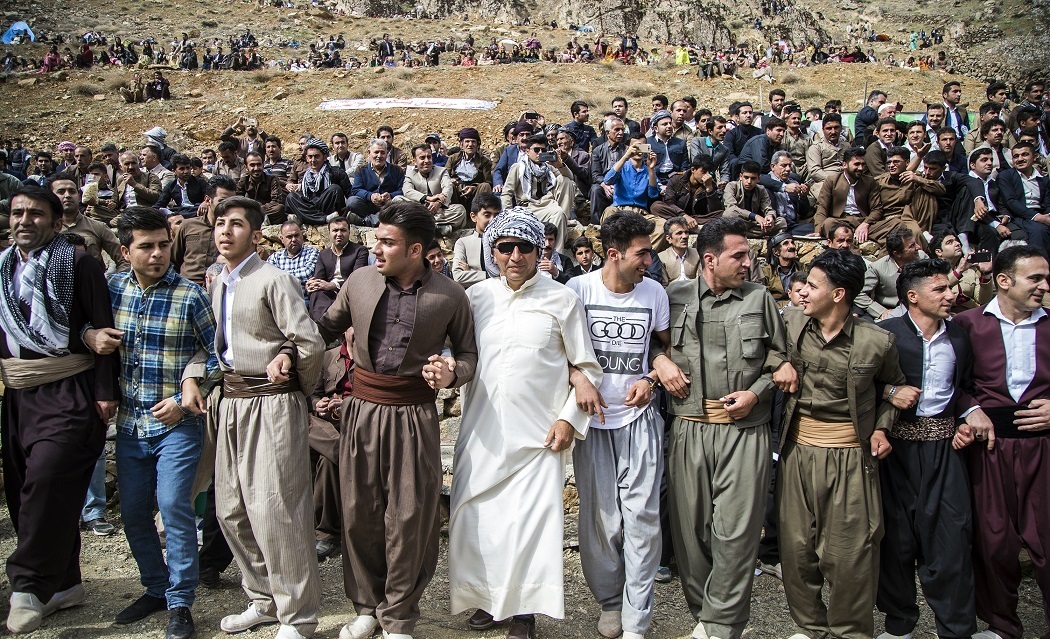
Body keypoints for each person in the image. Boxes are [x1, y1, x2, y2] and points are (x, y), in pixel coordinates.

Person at [314, 201, 477, 639]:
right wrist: (285, 348)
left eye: (387, 242)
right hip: (361, 412)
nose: (376, 250)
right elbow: (324, 329)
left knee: (410, 517)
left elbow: (468, 356)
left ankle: (399, 616)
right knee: (358, 513)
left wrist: (451, 373)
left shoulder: (450, 295)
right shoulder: (359, 281)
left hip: (414, 415)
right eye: (376, 239)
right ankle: (367, 606)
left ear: (416, 250)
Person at [449, 207, 601, 639]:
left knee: (530, 527)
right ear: (492, 251)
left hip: (540, 437)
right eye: (505, 247)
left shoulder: (562, 299)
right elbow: (457, 354)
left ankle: (523, 613)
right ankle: (488, 602)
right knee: (481, 520)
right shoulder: (476, 298)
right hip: (482, 432)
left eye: (525, 248)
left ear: (540, 251)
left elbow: (586, 365)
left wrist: (569, 419)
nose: (515, 256)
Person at [656, 216, 793, 639]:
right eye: (740, 255)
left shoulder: (759, 300)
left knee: (735, 533)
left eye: (749, 254)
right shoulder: (672, 296)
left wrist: (758, 392)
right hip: (688, 429)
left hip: (743, 431)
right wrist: (659, 361)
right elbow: (648, 347)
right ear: (710, 259)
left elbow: (782, 360)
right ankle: (707, 615)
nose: (749, 263)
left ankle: (721, 625)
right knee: (690, 534)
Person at [90, 207, 220, 639]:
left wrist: (187, 393)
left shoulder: (190, 295)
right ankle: (155, 587)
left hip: (177, 427)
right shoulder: (111, 291)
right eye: (146, 246)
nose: (158, 253)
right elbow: (88, 335)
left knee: (174, 508)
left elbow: (220, 356)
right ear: (125, 251)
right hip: (129, 426)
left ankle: (180, 602)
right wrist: (93, 337)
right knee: (132, 513)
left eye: (164, 244)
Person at [1, 186, 119, 634]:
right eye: (18, 213)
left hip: (69, 389)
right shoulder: (3, 267)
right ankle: (65, 582)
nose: (25, 220)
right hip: (18, 393)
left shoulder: (79, 263)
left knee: (47, 481)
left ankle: (27, 586)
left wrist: (106, 392)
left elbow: (102, 327)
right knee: (22, 488)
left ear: (55, 220)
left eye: (35, 213)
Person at [209, 196, 325, 639]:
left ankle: (298, 616)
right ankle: (263, 598)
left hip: (272, 404)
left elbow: (308, 341)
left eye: (236, 224)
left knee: (278, 509)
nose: (225, 231)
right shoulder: (219, 281)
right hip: (231, 402)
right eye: (220, 223)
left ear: (255, 234)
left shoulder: (274, 279)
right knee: (231, 508)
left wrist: (294, 381)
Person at [778, 249, 906, 639]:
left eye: (813, 286)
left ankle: (850, 631)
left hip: (851, 459)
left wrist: (883, 428)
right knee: (797, 552)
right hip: (797, 452)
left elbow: (893, 390)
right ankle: (810, 628)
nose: (803, 293)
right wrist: (779, 364)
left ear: (838, 295)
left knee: (850, 557)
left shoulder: (877, 341)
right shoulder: (791, 324)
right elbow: (768, 354)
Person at [565, 212, 669, 639]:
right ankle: (610, 601)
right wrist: (577, 378)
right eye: (642, 253)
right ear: (614, 254)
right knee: (601, 521)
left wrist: (651, 377)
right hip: (592, 424)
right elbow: (561, 350)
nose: (649, 260)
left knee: (642, 518)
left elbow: (666, 346)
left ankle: (635, 620)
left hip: (639, 420)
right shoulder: (578, 290)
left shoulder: (655, 293)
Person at [876, 258, 987, 639]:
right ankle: (899, 624)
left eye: (949, 287)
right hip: (894, 451)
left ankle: (956, 629)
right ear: (913, 296)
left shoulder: (958, 336)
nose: (950, 294)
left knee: (952, 540)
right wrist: (891, 391)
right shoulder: (885, 334)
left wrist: (967, 418)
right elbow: (862, 386)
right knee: (895, 541)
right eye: (939, 289)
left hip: (945, 452)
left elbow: (964, 388)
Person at [952, 245, 1050, 639]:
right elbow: (947, 382)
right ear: (1004, 281)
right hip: (988, 448)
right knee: (993, 541)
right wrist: (968, 408)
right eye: (1036, 278)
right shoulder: (966, 324)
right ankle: (1002, 626)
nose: (1044, 286)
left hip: (1043, 447)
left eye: (1045, 278)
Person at [500, 134, 574, 250]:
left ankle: (557, 256)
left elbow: (570, 177)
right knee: (557, 213)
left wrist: (559, 165)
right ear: (528, 151)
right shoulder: (518, 167)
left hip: (546, 203)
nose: (540, 153)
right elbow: (507, 193)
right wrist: (508, 216)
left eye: (543, 150)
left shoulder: (548, 167)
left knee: (564, 180)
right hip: (527, 207)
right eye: (536, 150)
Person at [47, 173, 128, 272]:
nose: (67, 195)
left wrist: (113, 283)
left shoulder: (98, 227)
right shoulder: (45, 229)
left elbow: (124, 259)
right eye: (61, 192)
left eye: (72, 191)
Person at [171, 175, 238, 286]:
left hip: (220, 286)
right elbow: (174, 261)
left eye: (232, 202)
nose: (227, 206)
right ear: (207, 200)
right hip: (186, 285)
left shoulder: (235, 231)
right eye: (222, 201)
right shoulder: (188, 225)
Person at [814, 147, 888, 243]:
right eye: (857, 164)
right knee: (828, 223)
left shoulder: (870, 181)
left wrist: (866, 223)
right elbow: (822, 207)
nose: (860, 168)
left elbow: (877, 209)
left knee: (895, 224)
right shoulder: (832, 181)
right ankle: (850, 245)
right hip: (839, 222)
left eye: (863, 164)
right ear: (844, 164)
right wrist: (818, 230)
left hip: (862, 221)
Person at [395, 144, 468, 234]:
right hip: (417, 209)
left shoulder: (441, 171)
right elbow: (407, 191)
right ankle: (435, 228)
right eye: (422, 158)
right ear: (414, 161)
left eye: (429, 157)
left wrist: (438, 203)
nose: (427, 161)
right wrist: (428, 198)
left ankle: (419, 225)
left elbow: (448, 188)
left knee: (460, 210)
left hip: (438, 211)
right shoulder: (410, 174)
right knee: (397, 200)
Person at [306, 216, 368, 320]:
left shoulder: (360, 251)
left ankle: (325, 329)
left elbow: (357, 279)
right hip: (328, 295)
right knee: (316, 293)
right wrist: (312, 285)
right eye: (335, 230)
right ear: (329, 233)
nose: (339, 234)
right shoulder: (323, 254)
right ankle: (321, 328)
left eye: (343, 230)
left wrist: (333, 285)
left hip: (348, 293)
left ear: (349, 232)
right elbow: (319, 279)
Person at [285, 138, 353, 226]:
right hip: (311, 207)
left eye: (316, 156)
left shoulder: (336, 172)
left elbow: (350, 193)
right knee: (291, 196)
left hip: (327, 208)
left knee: (334, 189)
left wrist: (348, 208)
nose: (313, 160)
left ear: (325, 157)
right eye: (310, 157)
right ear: (306, 158)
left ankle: (305, 218)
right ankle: (322, 219)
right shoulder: (306, 176)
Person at [346, 139, 405, 225]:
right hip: (368, 205)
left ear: (387, 154)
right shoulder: (361, 170)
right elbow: (356, 190)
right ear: (369, 153)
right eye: (376, 152)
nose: (379, 156)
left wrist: (390, 195)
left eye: (382, 153)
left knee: (400, 204)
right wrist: (370, 196)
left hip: (388, 206)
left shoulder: (396, 170)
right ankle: (379, 219)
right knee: (352, 202)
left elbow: (402, 190)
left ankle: (367, 221)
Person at [723, 160, 784, 238]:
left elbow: (768, 208)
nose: (749, 181)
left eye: (753, 178)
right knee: (728, 215)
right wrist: (755, 216)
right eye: (746, 177)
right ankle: (756, 233)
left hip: (753, 224)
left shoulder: (761, 189)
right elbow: (731, 208)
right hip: (740, 221)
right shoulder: (731, 186)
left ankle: (742, 234)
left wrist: (770, 217)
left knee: (782, 222)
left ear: (758, 179)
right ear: (741, 176)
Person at [267, 220, 320, 302]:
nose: (294, 239)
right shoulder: (275, 257)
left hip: (305, 301)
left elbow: (308, 273)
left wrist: (279, 276)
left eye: (296, 235)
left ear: (302, 235)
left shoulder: (312, 252)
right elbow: (269, 280)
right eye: (289, 237)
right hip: (281, 302)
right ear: (282, 239)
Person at [453, 195, 499, 289]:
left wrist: (470, 272)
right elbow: (458, 276)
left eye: (496, 215)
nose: (493, 220)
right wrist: (491, 276)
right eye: (487, 215)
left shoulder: (504, 242)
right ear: (474, 217)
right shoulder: (463, 243)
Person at [237, 151, 287, 225]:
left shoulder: (272, 179)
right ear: (246, 167)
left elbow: (276, 201)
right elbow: (238, 197)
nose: (256, 168)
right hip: (251, 210)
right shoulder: (244, 180)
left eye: (259, 164)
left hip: (267, 211)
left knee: (279, 208)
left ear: (263, 165)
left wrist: (259, 209)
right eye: (252, 165)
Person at [156, 154, 209, 219]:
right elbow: (160, 203)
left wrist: (205, 202)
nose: (186, 171)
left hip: (196, 211)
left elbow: (211, 196)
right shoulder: (171, 186)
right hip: (180, 212)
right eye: (182, 169)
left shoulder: (200, 182)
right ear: (174, 171)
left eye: (188, 168)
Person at [657, 217, 700, 286]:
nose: (685, 236)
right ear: (669, 238)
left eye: (686, 232)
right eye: (679, 233)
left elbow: (700, 283)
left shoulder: (697, 255)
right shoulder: (661, 258)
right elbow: (663, 286)